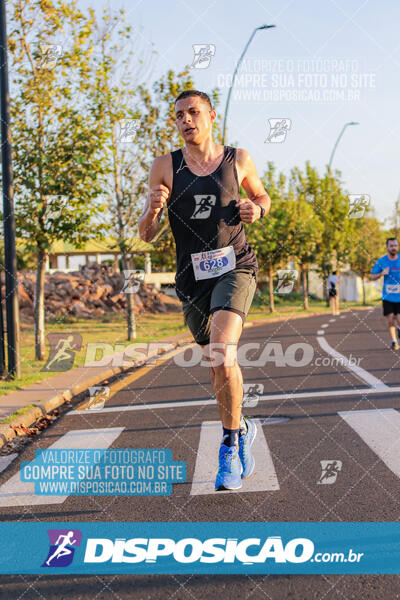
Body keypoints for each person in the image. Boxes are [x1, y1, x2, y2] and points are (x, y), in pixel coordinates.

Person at [138, 90, 271, 491]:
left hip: (237, 267)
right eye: (179, 115)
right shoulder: (164, 166)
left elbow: (262, 197)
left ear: (212, 116)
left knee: (221, 350)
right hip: (192, 279)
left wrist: (257, 209)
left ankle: (229, 446)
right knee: (216, 363)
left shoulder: (238, 159)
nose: (186, 120)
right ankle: (242, 426)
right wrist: (152, 209)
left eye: (193, 112)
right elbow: (146, 235)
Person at [371, 237, 400, 350]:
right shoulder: (382, 261)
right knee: (390, 319)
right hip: (388, 296)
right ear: (387, 247)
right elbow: (372, 276)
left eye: (395, 246)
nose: (394, 248)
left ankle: (398, 327)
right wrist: (382, 273)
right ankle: (394, 341)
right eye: (391, 246)